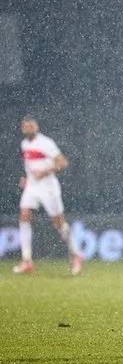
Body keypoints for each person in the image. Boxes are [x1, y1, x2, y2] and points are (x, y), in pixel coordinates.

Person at [13, 117, 83, 275]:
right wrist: (27, 178)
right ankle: (26, 260)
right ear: (23, 129)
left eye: (31, 126)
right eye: (26, 126)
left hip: (48, 187)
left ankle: (76, 254)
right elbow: (30, 166)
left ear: (36, 127)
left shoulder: (46, 142)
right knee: (24, 215)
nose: (28, 128)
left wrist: (44, 172)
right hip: (32, 187)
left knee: (58, 223)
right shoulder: (25, 144)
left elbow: (63, 162)